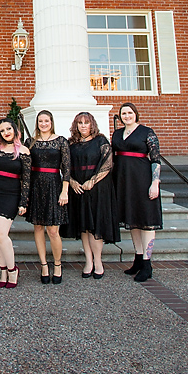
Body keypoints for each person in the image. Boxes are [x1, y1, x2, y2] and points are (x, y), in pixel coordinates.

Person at [61, 112, 119, 279]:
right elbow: (64, 165)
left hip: (97, 189)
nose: (83, 126)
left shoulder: (101, 141)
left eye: (86, 122)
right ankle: (88, 261)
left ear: (92, 124)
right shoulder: (71, 143)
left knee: (95, 227)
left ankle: (98, 262)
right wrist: (71, 181)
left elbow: (107, 163)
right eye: (80, 123)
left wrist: (92, 181)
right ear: (76, 126)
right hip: (77, 188)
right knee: (84, 227)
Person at [113, 102, 162, 282]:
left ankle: (147, 264)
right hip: (124, 181)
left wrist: (155, 182)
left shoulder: (147, 132)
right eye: (123, 113)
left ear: (136, 114)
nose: (127, 116)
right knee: (132, 221)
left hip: (143, 179)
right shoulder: (117, 134)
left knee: (146, 221)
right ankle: (138, 258)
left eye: (130, 113)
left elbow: (156, 159)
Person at [24, 110, 71, 285]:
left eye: (46, 120)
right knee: (38, 228)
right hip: (36, 186)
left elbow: (66, 168)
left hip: (54, 186)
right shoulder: (30, 142)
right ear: (37, 123)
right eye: (40, 121)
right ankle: (44, 264)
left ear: (51, 122)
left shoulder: (61, 142)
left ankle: (57, 264)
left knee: (53, 230)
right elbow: (25, 167)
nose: (43, 124)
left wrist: (64, 191)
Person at [0, 118, 31, 289]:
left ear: (14, 129)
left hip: (11, 195)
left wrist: (23, 202)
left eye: (8, 128)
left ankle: (12, 269)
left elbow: (27, 179)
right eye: (3, 130)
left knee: (2, 234)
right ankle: (2, 270)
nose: (6, 132)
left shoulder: (24, 151)